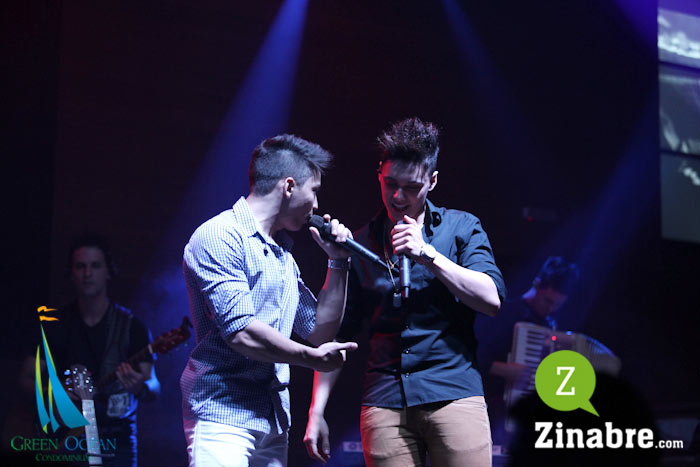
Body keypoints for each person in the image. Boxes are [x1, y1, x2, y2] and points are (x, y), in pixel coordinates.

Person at [304, 118, 506, 467]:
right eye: (390, 184)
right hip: (384, 401)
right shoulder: (361, 242)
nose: (398, 197)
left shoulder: (461, 227)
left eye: (411, 187)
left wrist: (428, 254)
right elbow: (337, 337)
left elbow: (491, 301)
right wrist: (315, 412)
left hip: (453, 393)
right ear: (379, 175)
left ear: (433, 181)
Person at [180, 134, 358, 467]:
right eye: (314, 191)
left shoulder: (282, 256)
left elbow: (320, 330)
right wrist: (311, 359)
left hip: (272, 420)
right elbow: (242, 333)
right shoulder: (220, 235)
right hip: (223, 414)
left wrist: (339, 262)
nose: (317, 206)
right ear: (288, 186)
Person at [51, 234, 160, 467]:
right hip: (69, 438)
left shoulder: (132, 327)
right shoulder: (56, 325)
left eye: (95, 266)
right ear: (71, 272)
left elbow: (153, 385)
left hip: (117, 441)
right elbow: (28, 378)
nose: (87, 273)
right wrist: (56, 393)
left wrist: (139, 386)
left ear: (108, 271)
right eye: (80, 266)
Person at [478, 256, 579, 447]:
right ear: (537, 284)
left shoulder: (552, 325)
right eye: (548, 301)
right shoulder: (503, 312)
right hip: (492, 411)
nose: (551, 309)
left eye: (557, 305)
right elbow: (471, 356)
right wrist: (505, 369)